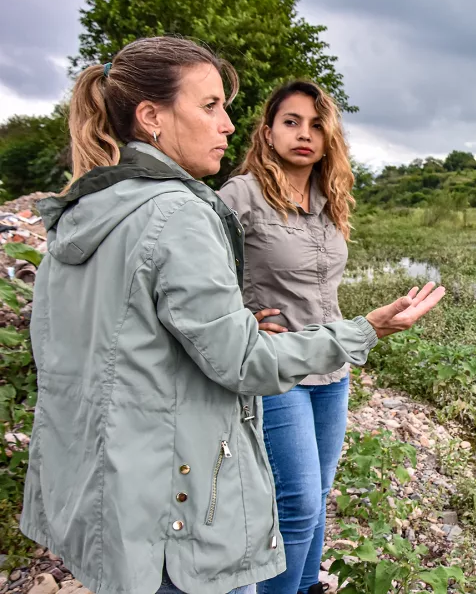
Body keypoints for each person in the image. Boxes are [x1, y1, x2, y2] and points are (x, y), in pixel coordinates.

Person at [21, 36, 445, 594]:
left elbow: (84, 350)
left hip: (123, 496)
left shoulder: (85, 212)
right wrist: (369, 328)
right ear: (151, 116)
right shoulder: (191, 210)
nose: (226, 123)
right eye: (210, 105)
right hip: (184, 501)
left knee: (312, 498)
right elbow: (240, 358)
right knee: (292, 502)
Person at [215, 80, 363, 594]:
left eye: (317, 124)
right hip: (277, 369)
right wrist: (239, 316)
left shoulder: (331, 198)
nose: (305, 134)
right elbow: (196, 271)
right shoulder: (241, 195)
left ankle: (302, 588)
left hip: (333, 367)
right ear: (269, 131)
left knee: (317, 496)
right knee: (296, 501)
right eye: (291, 121)